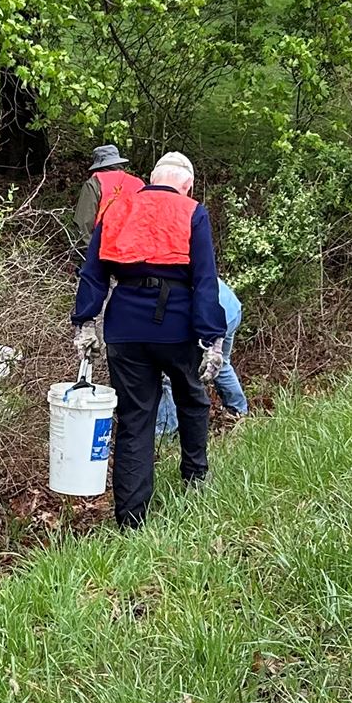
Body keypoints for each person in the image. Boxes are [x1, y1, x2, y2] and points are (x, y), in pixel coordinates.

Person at [72, 150, 226, 529]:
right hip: (176, 325)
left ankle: (131, 518)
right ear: (187, 185)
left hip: (124, 327)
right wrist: (213, 338)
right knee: (191, 399)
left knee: (135, 417)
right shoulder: (193, 212)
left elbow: (93, 274)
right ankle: (194, 481)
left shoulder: (118, 210)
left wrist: (85, 322)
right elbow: (205, 281)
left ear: (152, 178)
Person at [160, 277, 247, 432]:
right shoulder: (188, 265)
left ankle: (165, 431)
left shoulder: (168, 282)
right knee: (221, 364)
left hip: (216, 318)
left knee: (169, 374)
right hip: (231, 310)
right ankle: (239, 412)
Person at [73, 143, 142, 239]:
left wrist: (89, 251)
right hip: (134, 247)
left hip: (105, 247)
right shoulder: (138, 183)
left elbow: (83, 224)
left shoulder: (94, 183)